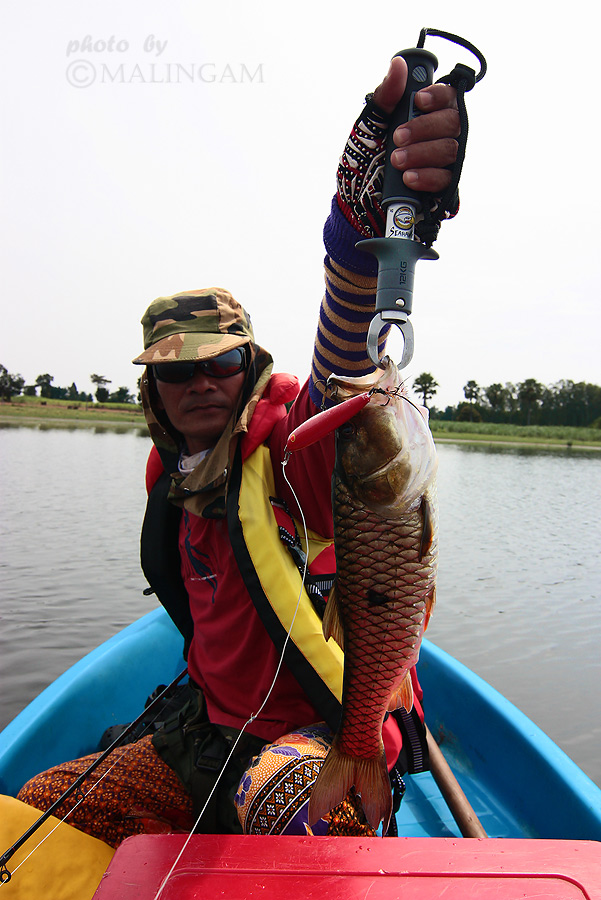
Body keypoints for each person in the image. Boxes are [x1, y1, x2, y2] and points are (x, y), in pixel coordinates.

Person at [17, 56, 459, 844]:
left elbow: (344, 370)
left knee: (299, 810)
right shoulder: (171, 473)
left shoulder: (297, 444)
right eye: (175, 369)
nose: (198, 382)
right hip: (205, 730)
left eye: (218, 361)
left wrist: (359, 230)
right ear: (152, 392)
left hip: (319, 731)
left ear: (247, 365)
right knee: (39, 810)